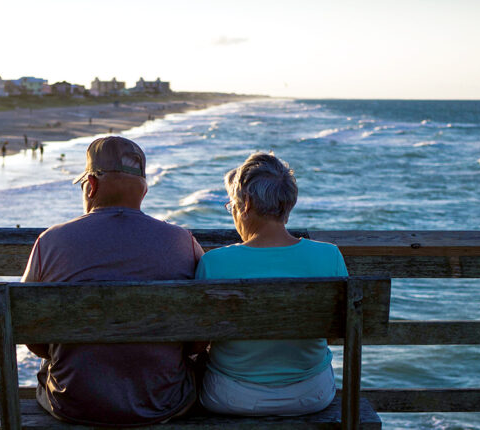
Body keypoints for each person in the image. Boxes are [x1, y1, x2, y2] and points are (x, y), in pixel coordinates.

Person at [21, 136, 204, 426]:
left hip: (72, 403)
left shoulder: (50, 242)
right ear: (142, 192)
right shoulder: (184, 243)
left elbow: (26, 327)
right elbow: (199, 338)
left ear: (91, 186)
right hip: (162, 403)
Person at [197, 152, 347, 416]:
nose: (233, 212)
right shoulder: (330, 255)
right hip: (312, 394)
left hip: (231, 396)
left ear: (247, 205)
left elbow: (197, 341)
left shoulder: (214, 263)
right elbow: (335, 333)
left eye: (232, 205)